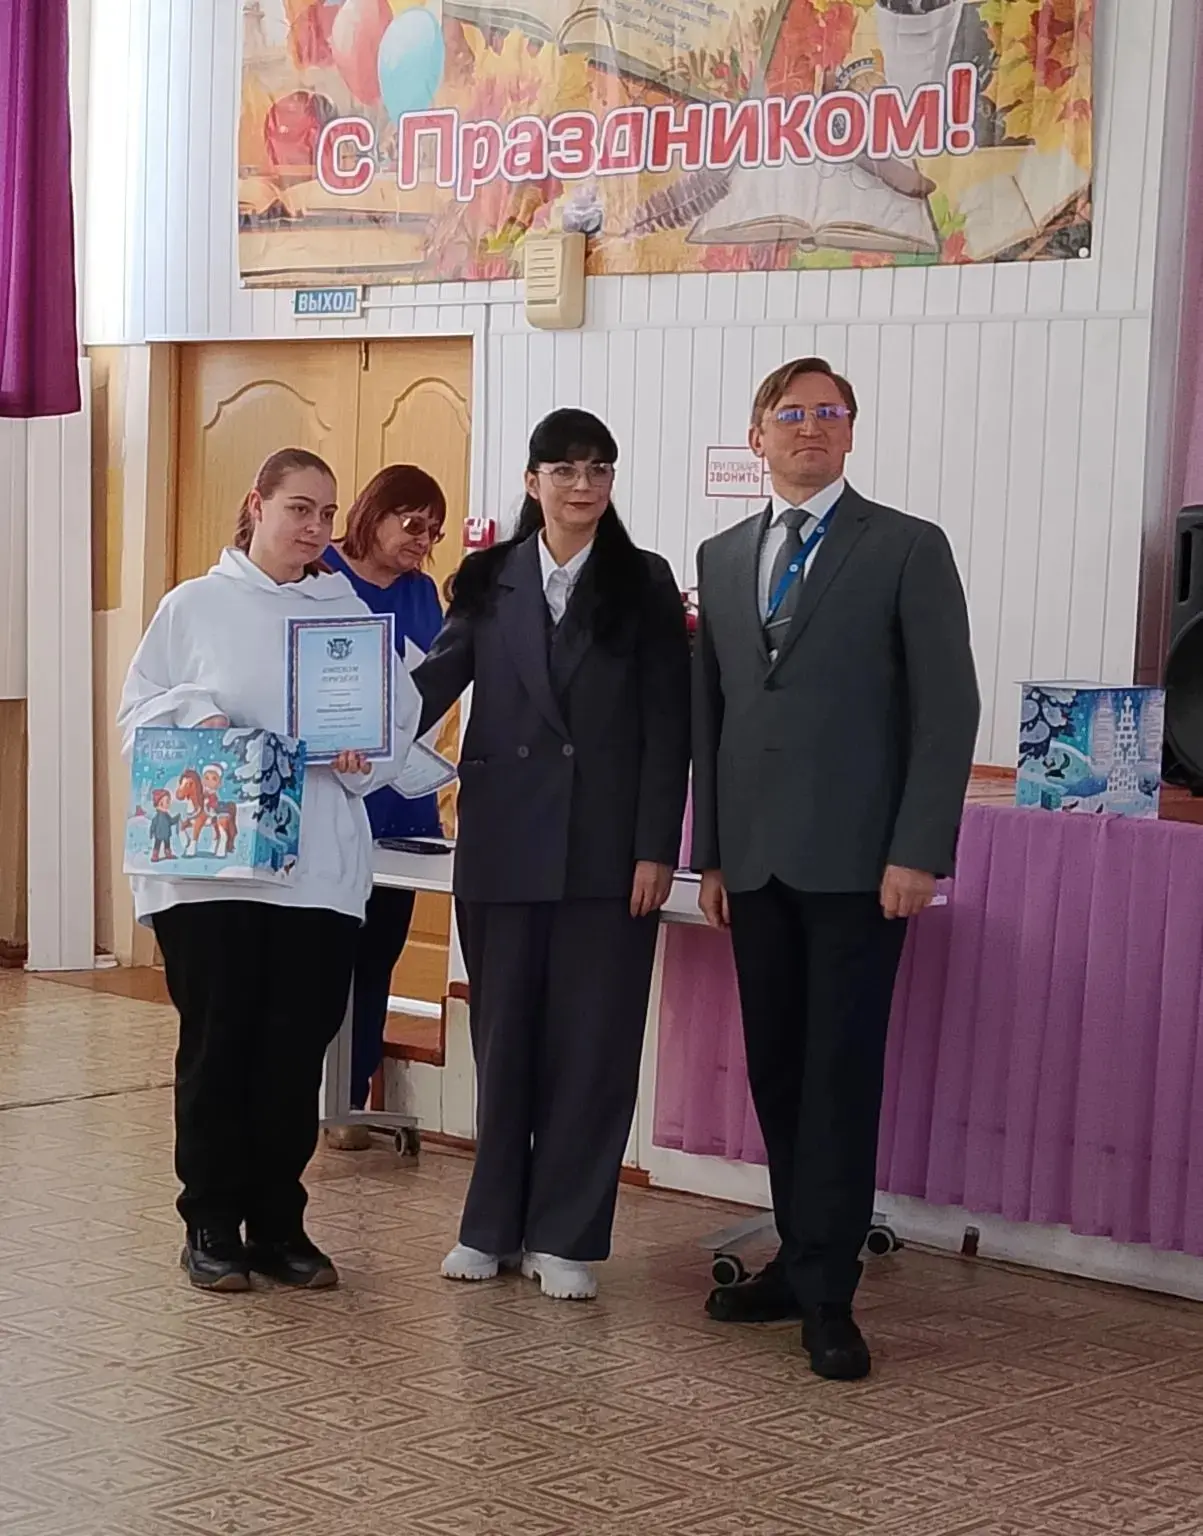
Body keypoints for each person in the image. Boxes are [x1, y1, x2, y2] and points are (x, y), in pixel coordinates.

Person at [691, 358, 979, 1379]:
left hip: (861, 869)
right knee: (777, 1070)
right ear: (758, 434)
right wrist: (709, 855)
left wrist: (918, 850)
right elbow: (713, 718)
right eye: (791, 413)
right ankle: (796, 1257)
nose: (810, 427)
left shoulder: (904, 546)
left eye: (829, 412)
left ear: (850, 432)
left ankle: (830, 1295)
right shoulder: (722, 555)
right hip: (756, 867)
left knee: (839, 1077)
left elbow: (948, 709)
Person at [118, 448, 421, 1294]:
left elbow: (395, 726)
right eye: (298, 508)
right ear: (257, 505)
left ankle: (279, 1224)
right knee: (220, 1047)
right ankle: (210, 1222)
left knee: (292, 1052)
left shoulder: (348, 614)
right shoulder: (195, 606)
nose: (315, 528)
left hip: (315, 873)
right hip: (213, 875)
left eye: (326, 513)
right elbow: (139, 714)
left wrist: (362, 750)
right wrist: (203, 716)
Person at [414, 408, 691, 1301]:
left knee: (593, 1044)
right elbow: (432, 684)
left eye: (598, 470)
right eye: (565, 470)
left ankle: (566, 1234)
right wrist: (348, 727)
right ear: (532, 482)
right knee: (503, 1038)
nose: (583, 486)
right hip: (503, 842)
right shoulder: (487, 576)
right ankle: (489, 1227)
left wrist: (655, 847)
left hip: (607, 853)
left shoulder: (643, 581)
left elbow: (668, 725)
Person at [323, 464, 448, 1145]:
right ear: (373, 512)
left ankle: (347, 1098)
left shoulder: (423, 592)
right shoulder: (319, 577)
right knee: (321, 955)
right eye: (412, 524)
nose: (421, 541)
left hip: (403, 800)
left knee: (377, 956)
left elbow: (438, 688)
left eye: (433, 532)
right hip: (332, 797)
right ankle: (301, 1090)